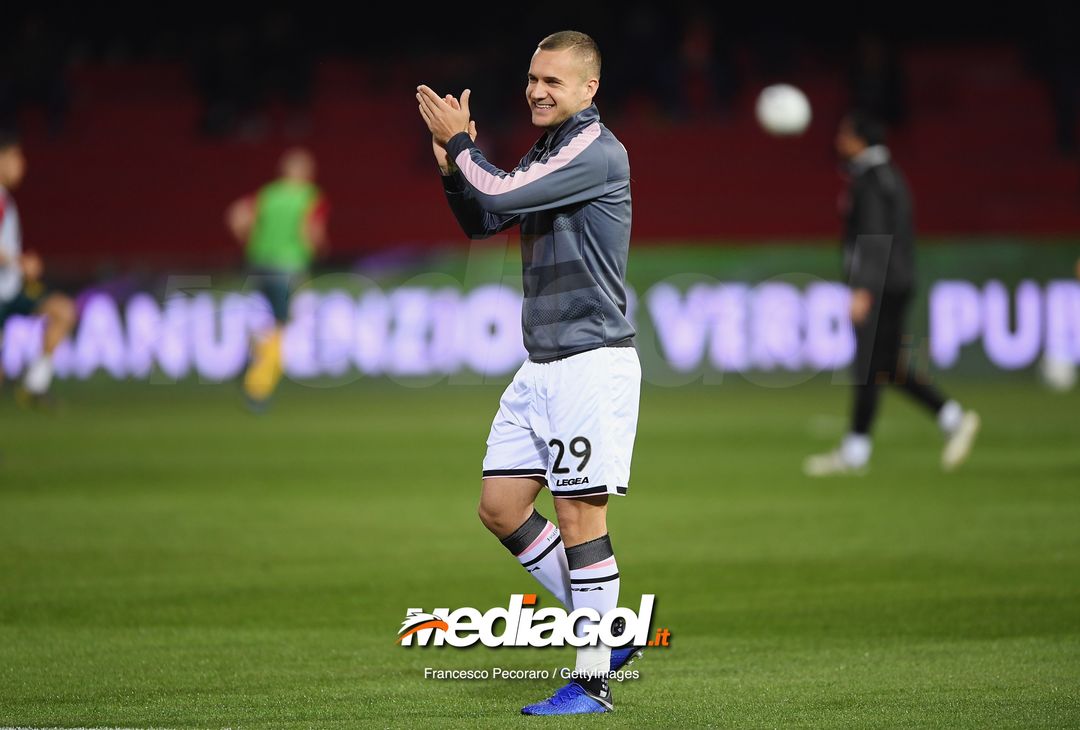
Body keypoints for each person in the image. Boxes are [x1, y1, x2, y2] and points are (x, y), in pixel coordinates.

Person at [416, 30, 640, 716]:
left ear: (588, 89)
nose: (538, 90)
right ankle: (608, 632)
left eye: (554, 81)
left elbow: (501, 193)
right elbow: (485, 216)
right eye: (533, 78)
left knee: (578, 514)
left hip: (589, 361)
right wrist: (455, 169)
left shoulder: (594, 149)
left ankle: (595, 681)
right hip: (541, 362)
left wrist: (461, 148)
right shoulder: (549, 149)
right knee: (502, 507)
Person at [804, 112, 980, 477]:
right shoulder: (888, 175)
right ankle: (952, 418)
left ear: (860, 139)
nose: (839, 140)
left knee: (869, 365)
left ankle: (855, 452)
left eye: (844, 133)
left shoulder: (870, 180)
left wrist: (863, 288)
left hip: (881, 283)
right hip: (897, 280)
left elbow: (873, 235)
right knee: (886, 366)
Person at [225, 147, 328, 408]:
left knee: (270, 320)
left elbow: (236, 216)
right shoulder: (309, 196)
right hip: (289, 266)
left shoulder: (268, 194)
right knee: (282, 324)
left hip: (259, 263)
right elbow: (311, 232)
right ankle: (257, 385)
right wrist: (320, 250)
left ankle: (254, 352)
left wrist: (251, 241)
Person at [0, 129, 76, 406]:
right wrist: (19, 261)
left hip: (11, 288)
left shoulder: (5, 199)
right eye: (16, 157)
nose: (22, 165)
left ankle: (35, 384)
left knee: (62, 310)